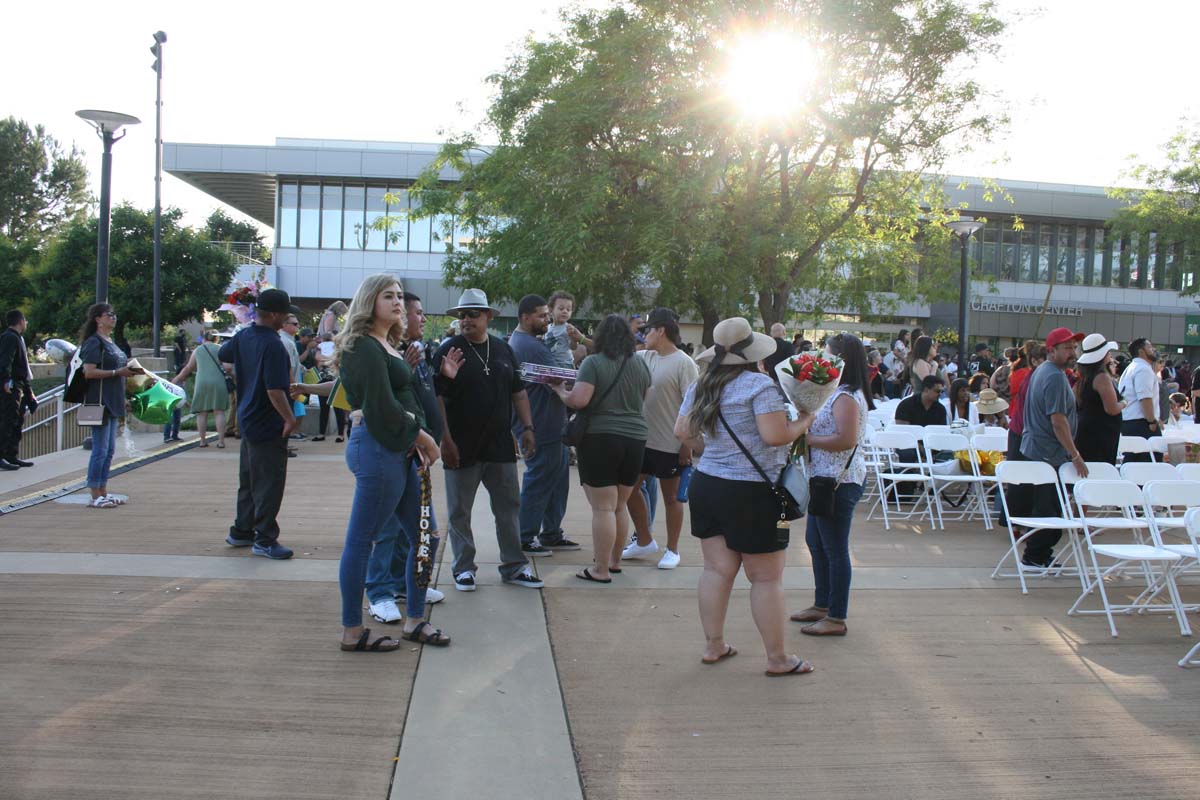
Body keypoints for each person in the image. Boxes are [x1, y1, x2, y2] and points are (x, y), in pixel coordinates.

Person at [673, 317, 812, 676]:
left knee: (716, 570)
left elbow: (681, 430)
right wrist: (805, 420)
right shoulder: (760, 386)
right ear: (755, 353)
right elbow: (775, 436)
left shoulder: (702, 384)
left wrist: (708, 451)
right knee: (766, 578)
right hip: (755, 493)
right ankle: (778, 658)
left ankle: (713, 644)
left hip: (707, 484)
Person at [335, 274, 446, 652]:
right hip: (379, 447)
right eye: (389, 296)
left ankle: (414, 619)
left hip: (399, 448)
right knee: (363, 541)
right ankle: (352, 630)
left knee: (424, 536)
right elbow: (382, 407)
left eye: (400, 296)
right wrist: (424, 436)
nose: (398, 302)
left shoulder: (388, 343)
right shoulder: (363, 346)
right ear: (369, 300)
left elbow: (404, 400)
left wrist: (417, 437)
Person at [434, 288, 543, 592]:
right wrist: (445, 439)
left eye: (472, 314)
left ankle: (514, 566)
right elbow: (437, 397)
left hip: (500, 445)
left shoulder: (503, 350)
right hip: (460, 445)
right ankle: (464, 568)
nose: (466, 320)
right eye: (462, 315)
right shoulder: (448, 350)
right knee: (459, 511)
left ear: (487, 317)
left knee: (509, 507)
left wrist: (528, 428)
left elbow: (518, 392)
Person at [360, 291, 460, 617]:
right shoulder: (385, 354)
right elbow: (382, 403)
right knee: (388, 528)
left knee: (415, 529)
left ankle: (404, 585)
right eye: (415, 312)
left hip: (418, 453)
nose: (420, 318)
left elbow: (418, 399)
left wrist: (441, 376)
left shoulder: (414, 354)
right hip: (394, 452)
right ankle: (379, 593)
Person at [553, 314, 651, 582]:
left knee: (603, 509)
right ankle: (615, 562)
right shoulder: (640, 365)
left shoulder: (593, 363)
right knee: (619, 506)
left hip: (600, 438)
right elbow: (644, 400)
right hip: (635, 439)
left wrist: (561, 393)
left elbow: (580, 400)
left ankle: (601, 570)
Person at [790, 333, 873, 637]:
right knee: (816, 542)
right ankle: (822, 603)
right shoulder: (836, 393)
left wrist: (807, 438)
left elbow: (846, 439)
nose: (822, 360)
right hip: (824, 479)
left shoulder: (846, 396)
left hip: (838, 481)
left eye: (826, 354)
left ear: (842, 359)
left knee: (834, 548)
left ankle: (836, 615)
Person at [219, 288, 301, 559]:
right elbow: (275, 390)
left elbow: (224, 353)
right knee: (269, 481)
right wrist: (289, 418)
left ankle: (242, 530)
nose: (288, 318)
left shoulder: (244, 336)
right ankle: (265, 538)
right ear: (276, 315)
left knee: (249, 478)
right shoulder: (273, 345)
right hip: (268, 422)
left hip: (247, 417)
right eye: (287, 314)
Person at [621, 307, 698, 569]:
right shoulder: (644, 356)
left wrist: (687, 445)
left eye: (647, 330)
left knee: (672, 498)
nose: (644, 336)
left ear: (661, 331)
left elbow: (692, 406)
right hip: (642, 440)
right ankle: (644, 539)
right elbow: (615, 353)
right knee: (628, 488)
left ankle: (673, 550)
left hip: (671, 443)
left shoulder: (684, 363)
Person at [507, 294, 578, 556]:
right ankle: (525, 536)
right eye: (541, 315)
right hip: (540, 424)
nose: (547, 320)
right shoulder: (529, 345)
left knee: (558, 480)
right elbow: (564, 378)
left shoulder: (528, 341)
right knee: (540, 479)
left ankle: (551, 532)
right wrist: (589, 374)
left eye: (547, 315)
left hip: (549, 422)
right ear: (525, 317)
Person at [1019, 327, 1086, 568]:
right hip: (1048, 453)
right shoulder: (1055, 376)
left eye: (1074, 347)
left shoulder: (1046, 371)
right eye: (1067, 348)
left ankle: (1038, 554)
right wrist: (1075, 455)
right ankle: (1035, 555)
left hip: (1041, 451)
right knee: (1049, 508)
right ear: (1052, 350)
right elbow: (1058, 421)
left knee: (1047, 505)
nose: (1072, 352)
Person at [77, 303, 144, 508]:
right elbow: (88, 372)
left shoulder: (110, 341)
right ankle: (95, 493)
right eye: (109, 315)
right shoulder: (94, 343)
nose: (113, 318)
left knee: (109, 450)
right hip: (99, 401)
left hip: (113, 401)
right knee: (100, 448)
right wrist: (118, 373)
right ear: (98, 319)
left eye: (115, 314)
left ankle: (103, 490)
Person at [171, 330, 232, 448]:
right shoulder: (220, 349)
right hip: (218, 382)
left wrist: (177, 379)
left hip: (201, 382)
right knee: (219, 412)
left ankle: (203, 441)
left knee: (201, 412)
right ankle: (221, 441)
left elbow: (188, 368)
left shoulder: (197, 350)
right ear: (216, 338)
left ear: (203, 338)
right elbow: (228, 367)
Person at [1073, 333, 1125, 464]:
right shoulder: (1102, 377)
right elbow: (1112, 409)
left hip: (1088, 430)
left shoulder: (1084, 379)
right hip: (1101, 433)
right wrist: (1124, 403)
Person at [0, 310, 35, 470]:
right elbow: (5, 360)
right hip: (11, 386)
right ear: (20, 321)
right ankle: (2, 455)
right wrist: (6, 380)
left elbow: (23, 367)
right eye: (25, 320)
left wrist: (29, 392)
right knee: (8, 420)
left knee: (17, 420)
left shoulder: (18, 338)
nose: (26, 323)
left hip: (20, 384)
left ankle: (11, 455)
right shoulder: (9, 337)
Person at [1117, 338, 1163, 462]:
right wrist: (1152, 421)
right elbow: (1145, 398)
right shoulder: (1143, 369)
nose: (1153, 350)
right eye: (1149, 347)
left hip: (1129, 422)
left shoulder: (1131, 368)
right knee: (1150, 462)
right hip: (1142, 423)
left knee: (1133, 462)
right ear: (1141, 351)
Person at [544, 290, 589, 369]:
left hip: (565, 364)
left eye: (568, 310)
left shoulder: (569, 328)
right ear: (551, 310)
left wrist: (573, 338)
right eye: (561, 309)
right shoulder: (548, 327)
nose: (565, 311)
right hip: (550, 363)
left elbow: (573, 347)